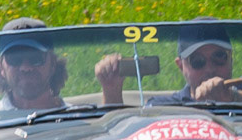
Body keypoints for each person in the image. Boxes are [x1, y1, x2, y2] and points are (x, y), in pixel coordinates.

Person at [93, 16, 233, 107]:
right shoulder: (163, 107)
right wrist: (111, 89)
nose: (209, 69)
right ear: (180, 66)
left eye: (219, 57)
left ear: (231, 59)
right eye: (197, 61)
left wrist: (233, 97)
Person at [0, 34, 68, 122]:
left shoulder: (75, 118)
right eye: (14, 59)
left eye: (36, 58)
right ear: (1, 67)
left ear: (53, 64)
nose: (25, 68)